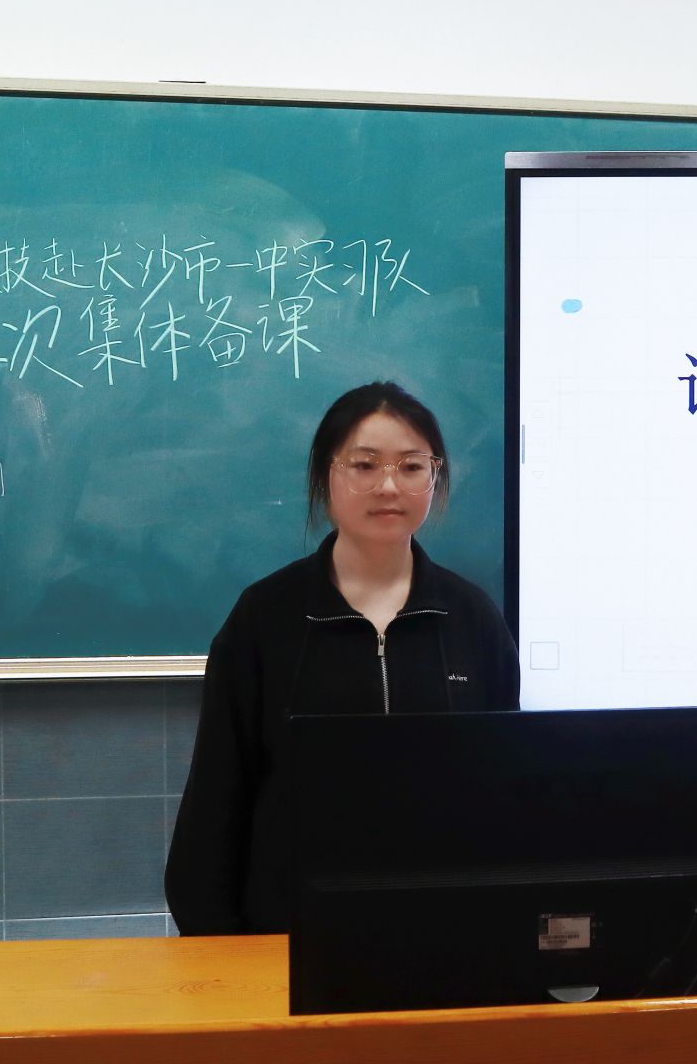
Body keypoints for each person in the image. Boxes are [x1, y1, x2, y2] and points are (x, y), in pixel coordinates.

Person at [165, 380, 521, 934]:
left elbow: (502, 792)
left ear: (435, 477)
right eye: (364, 465)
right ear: (325, 475)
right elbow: (217, 794)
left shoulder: (471, 617)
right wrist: (215, 945)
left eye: (412, 467)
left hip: (442, 930)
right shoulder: (265, 617)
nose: (389, 486)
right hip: (288, 934)